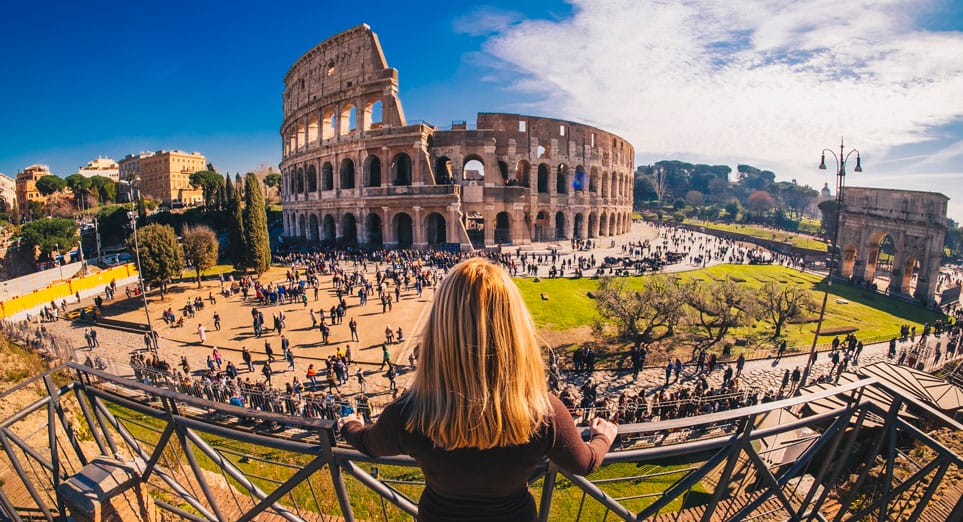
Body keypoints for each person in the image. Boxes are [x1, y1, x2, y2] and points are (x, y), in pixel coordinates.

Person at [338, 258, 617, 522]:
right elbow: (584, 463)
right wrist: (603, 437)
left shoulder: (409, 413)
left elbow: (369, 444)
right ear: (515, 328)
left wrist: (350, 425)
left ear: (439, 328)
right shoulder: (545, 411)